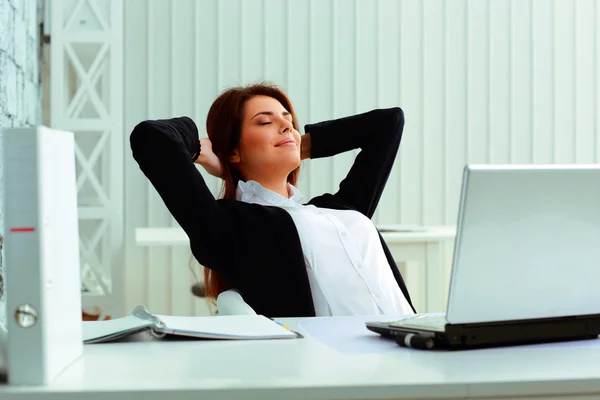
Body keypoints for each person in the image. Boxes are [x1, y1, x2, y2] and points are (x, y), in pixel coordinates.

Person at [130, 82, 416, 317]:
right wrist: (202, 150)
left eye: (289, 120)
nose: (286, 126)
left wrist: (297, 143)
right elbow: (152, 137)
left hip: (416, 346)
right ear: (231, 151)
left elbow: (389, 122)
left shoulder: (341, 208)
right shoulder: (231, 225)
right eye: (265, 121)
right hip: (346, 370)